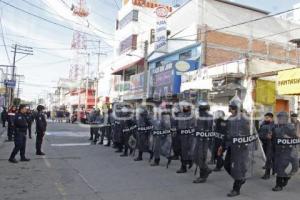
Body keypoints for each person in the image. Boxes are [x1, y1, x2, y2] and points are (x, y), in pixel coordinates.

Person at [219, 96, 257, 197]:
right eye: (230, 107)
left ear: (236, 108)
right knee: (226, 165)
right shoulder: (230, 119)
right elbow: (226, 134)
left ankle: (236, 188)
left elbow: (251, 133)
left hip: (241, 147)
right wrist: (222, 146)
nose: (230, 109)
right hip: (231, 146)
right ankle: (240, 179)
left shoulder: (246, 118)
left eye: (231, 107)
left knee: (238, 168)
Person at [272, 112, 299, 192]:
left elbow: (296, 136)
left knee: (295, 167)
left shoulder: (290, 127)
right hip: (280, 151)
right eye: (279, 118)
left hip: (291, 150)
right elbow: (273, 137)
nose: (279, 119)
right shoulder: (275, 126)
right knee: (280, 168)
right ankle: (279, 185)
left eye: (281, 118)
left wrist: (289, 137)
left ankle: (287, 177)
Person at [192, 101, 214, 183]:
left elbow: (208, 129)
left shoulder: (208, 117)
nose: (198, 110)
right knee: (195, 157)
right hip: (199, 139)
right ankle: (206, 169)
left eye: (200, 108)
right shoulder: (199, 117)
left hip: (204, 140)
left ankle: (202, 176)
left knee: (201, 158)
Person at [176, 100, 194, 173]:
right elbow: (177, 123)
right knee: (180, 150)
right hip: (180, 135)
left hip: (188, 136)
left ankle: (184, 166)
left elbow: (194, 126)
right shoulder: (179, 114)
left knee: (186, 151)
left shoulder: (192, 115)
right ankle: (188, 161)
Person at [258, 112, 275, 179]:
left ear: (271, 118)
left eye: (267, 117)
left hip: (270, 143)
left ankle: (267, 174)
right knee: (266, 157)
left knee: (268, 158)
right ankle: (273, 168)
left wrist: (271, 136)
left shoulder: (274, 125)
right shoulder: (263, 124)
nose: (265, 118)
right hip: (264, 143)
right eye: (265, 117)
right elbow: (259, 132)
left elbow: (274, 135)